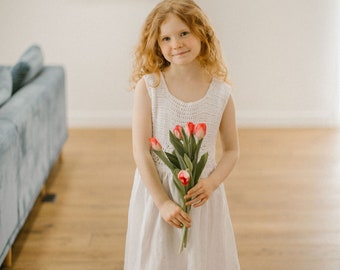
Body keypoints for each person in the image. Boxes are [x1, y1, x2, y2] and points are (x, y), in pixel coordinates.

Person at [124, 0, 241, 269]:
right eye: (166, 37)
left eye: (184, 33)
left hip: (201, 199)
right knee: (159, 257)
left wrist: (211, 184)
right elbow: (141, 151)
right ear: (156, 44)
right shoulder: (150, 87)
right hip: (158, 194)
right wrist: (163, 202)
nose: (176, 43)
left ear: (202, 33)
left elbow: (232, 151)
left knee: (202, 257)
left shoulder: (221, 93)